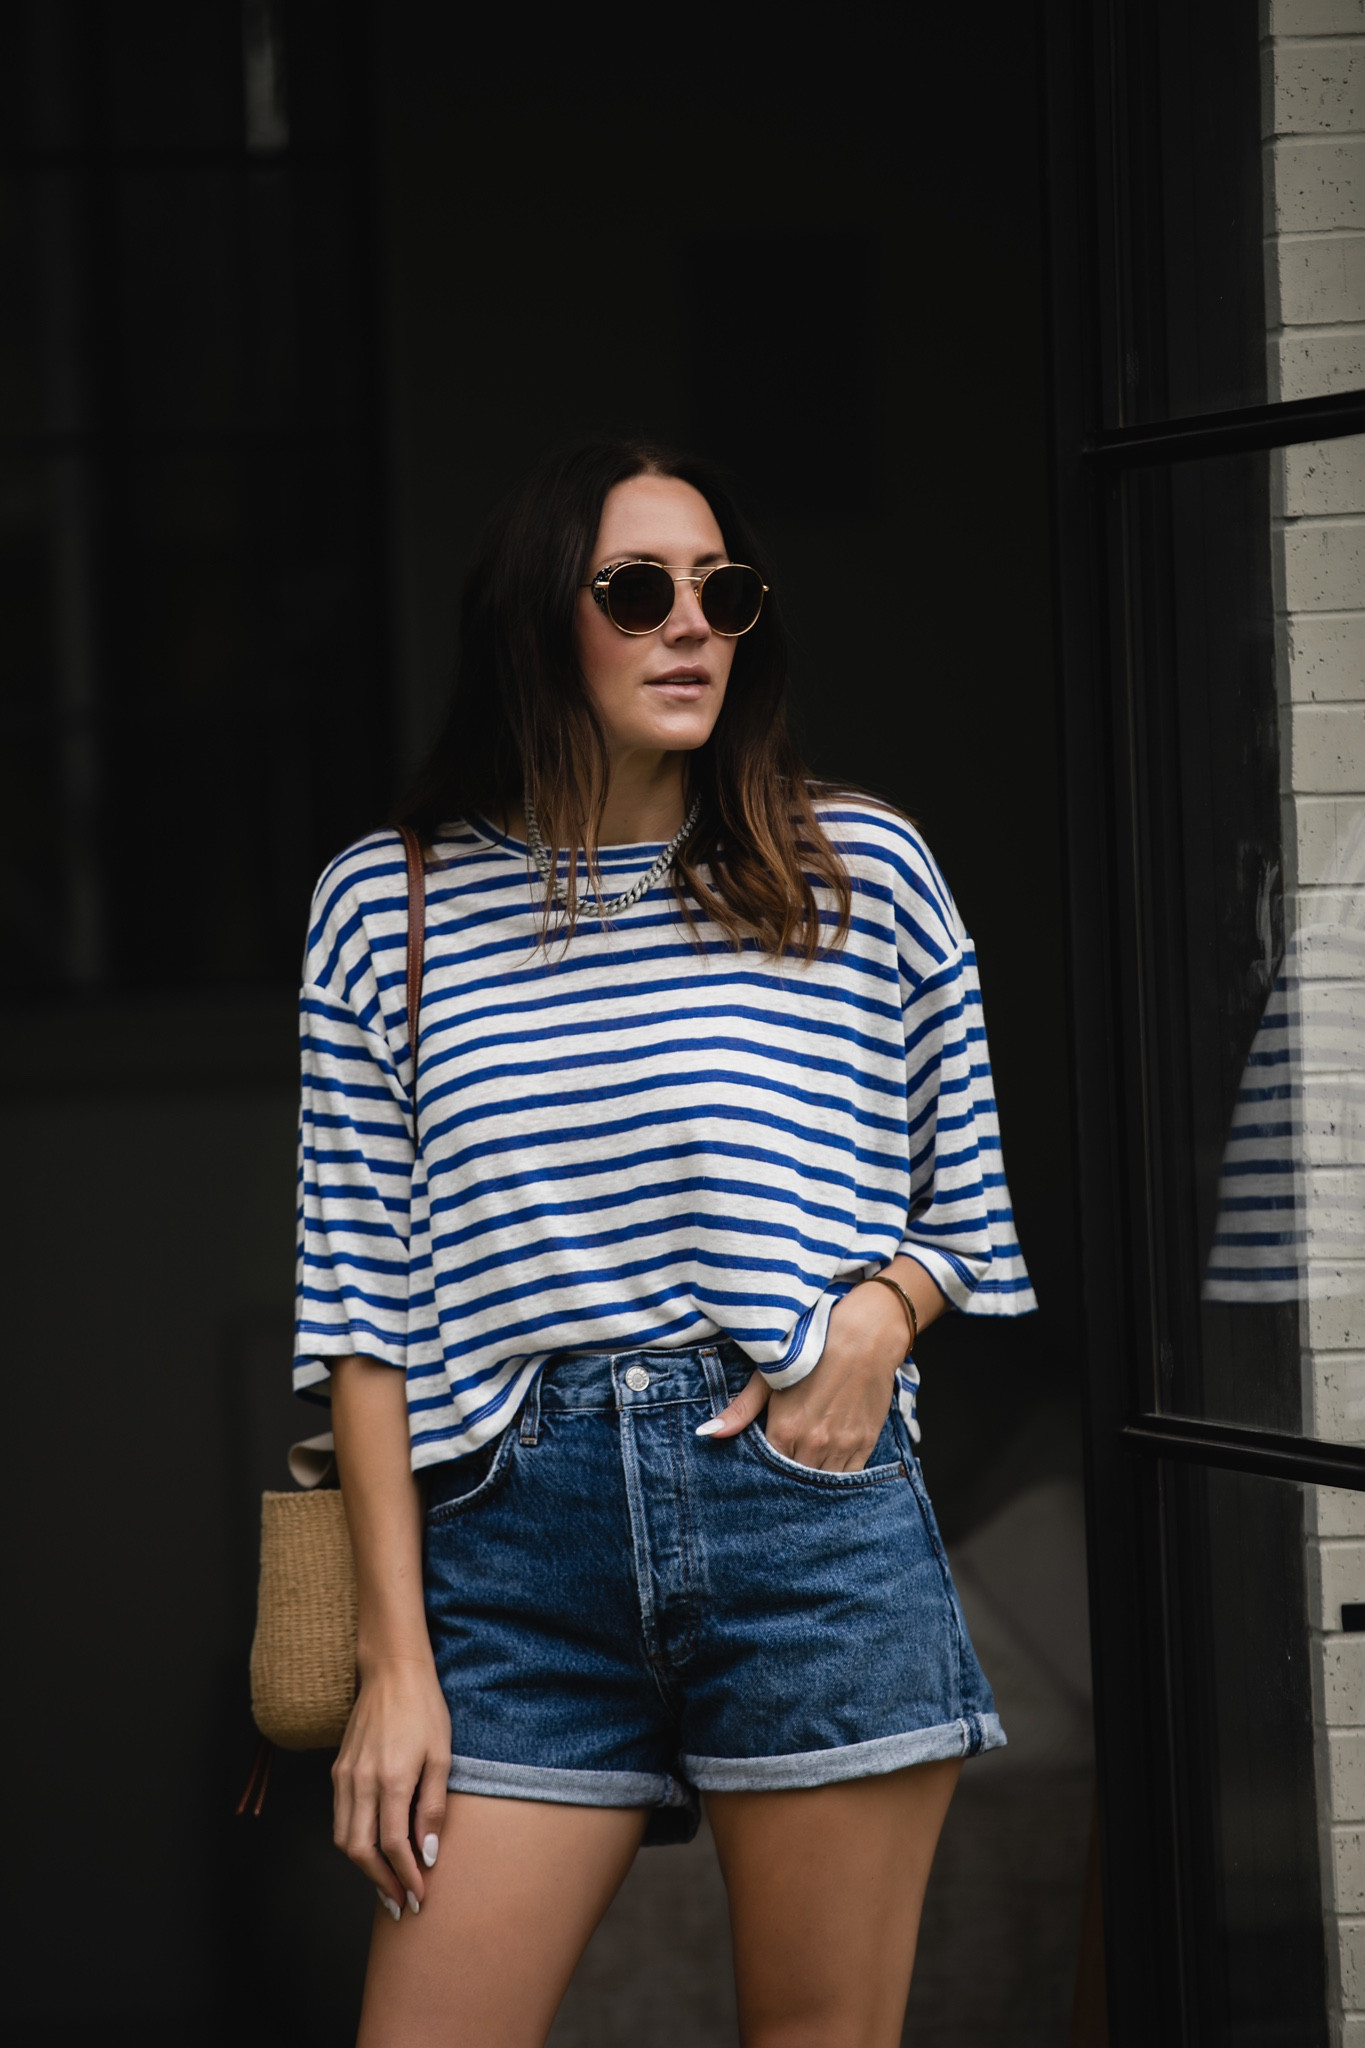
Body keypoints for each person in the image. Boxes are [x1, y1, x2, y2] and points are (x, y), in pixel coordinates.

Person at [294, 438, 1036, 2047]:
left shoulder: (856, 868)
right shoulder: (386, 903)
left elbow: (967, 1204)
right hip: (510, 1547)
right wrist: (396, 1666)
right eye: (637, 591)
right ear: (532, 620)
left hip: (801, 1515)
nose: (691, 625)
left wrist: (875, 1326)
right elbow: (358, 1313)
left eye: (723, 591)